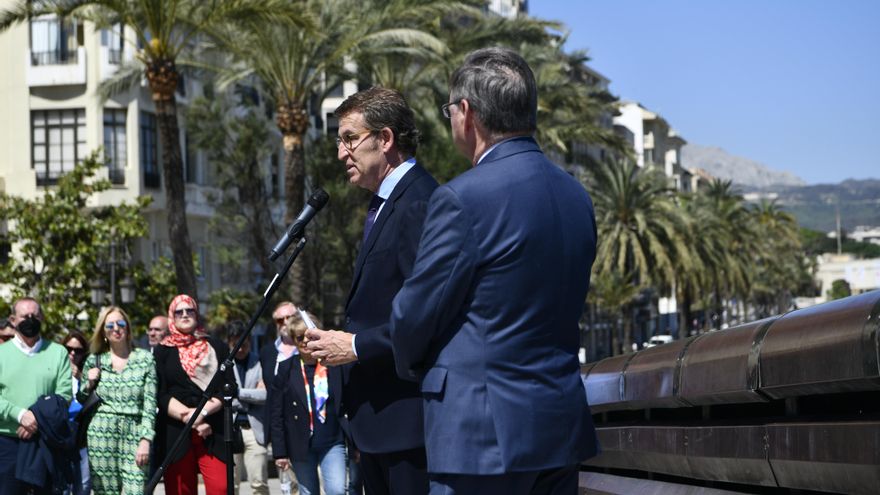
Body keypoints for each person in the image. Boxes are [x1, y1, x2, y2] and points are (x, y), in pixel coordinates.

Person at [388, 47, 601, 495]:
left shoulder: (462, 198)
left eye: (449, 111)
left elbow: (413, 314)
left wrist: (415, 367)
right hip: (559, 429)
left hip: (480, 439)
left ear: (467, 113)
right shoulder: (576, 196)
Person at [305, 87, 438, 495]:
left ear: (385, 139)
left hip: (406, 425)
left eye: (350, 138)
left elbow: (426, 314)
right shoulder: (383, 202)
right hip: (377, 426)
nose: (342, 153)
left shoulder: (417, 201)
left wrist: (357, 346)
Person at [154, 295, 231, 495]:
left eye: (190, 310)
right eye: (179, 312)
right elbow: (160, 394)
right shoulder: (162, 351)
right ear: (172, 316)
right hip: (175, 430)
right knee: (180, 490)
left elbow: (228, 388)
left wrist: (201, 414)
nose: (185, 315)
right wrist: (191, 418)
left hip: (212, 429)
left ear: (197, 314)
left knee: (220, 488)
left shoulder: (216, 347)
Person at [79, 306, 156, 495]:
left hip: (135, 430)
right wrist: (88, 382)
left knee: (136, 490)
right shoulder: (95, 360)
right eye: (110, 325)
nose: (116, 328)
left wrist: (146, 439)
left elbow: (150, 404)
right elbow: (81, 398)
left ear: (127, 328)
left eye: (121, 324)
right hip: (101, 432)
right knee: (105, 492)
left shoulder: (145, 359)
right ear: (103, 332)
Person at [0, 297, 72, 495]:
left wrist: (36, 419)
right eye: (24, 316)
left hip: (45, 442)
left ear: (42, 317)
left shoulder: (58, 353)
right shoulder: (1, 354)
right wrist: (20, 415)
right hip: (7, 443)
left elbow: (64, 395)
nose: (30, 320)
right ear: (13, 320)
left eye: (34, 315)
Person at [272, 312, 346, 495]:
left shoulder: (335, 364)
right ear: (294, 340)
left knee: (337, 490)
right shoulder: (286, 369)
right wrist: (280, 452)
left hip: (332, 441)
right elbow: (276, 412)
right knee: (308, 492)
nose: (305, 341)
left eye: (309, 335)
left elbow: (348, 402)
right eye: (299, 337)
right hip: (300, 444)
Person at [225, 321, 269, 495]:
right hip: (231, 427)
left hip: (254, 428)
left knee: (259, 483)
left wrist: (238, 392)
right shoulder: (225, 363)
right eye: (236, 345)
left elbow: (265, 396)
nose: (241, 349)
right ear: (229, 343)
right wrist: (252, 394)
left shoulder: (259, 362)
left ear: (250, 342)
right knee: (231, 483)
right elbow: (223, 396)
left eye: (244, 344)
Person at [61, 331, 91, 495]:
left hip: (82, 434)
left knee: (84, 485)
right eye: (69, 348)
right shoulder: (56, 370)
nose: (72, 353)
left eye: (78, 350)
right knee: (64, 485)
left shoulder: (89, 371)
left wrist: (80, 377)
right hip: (63, 433)